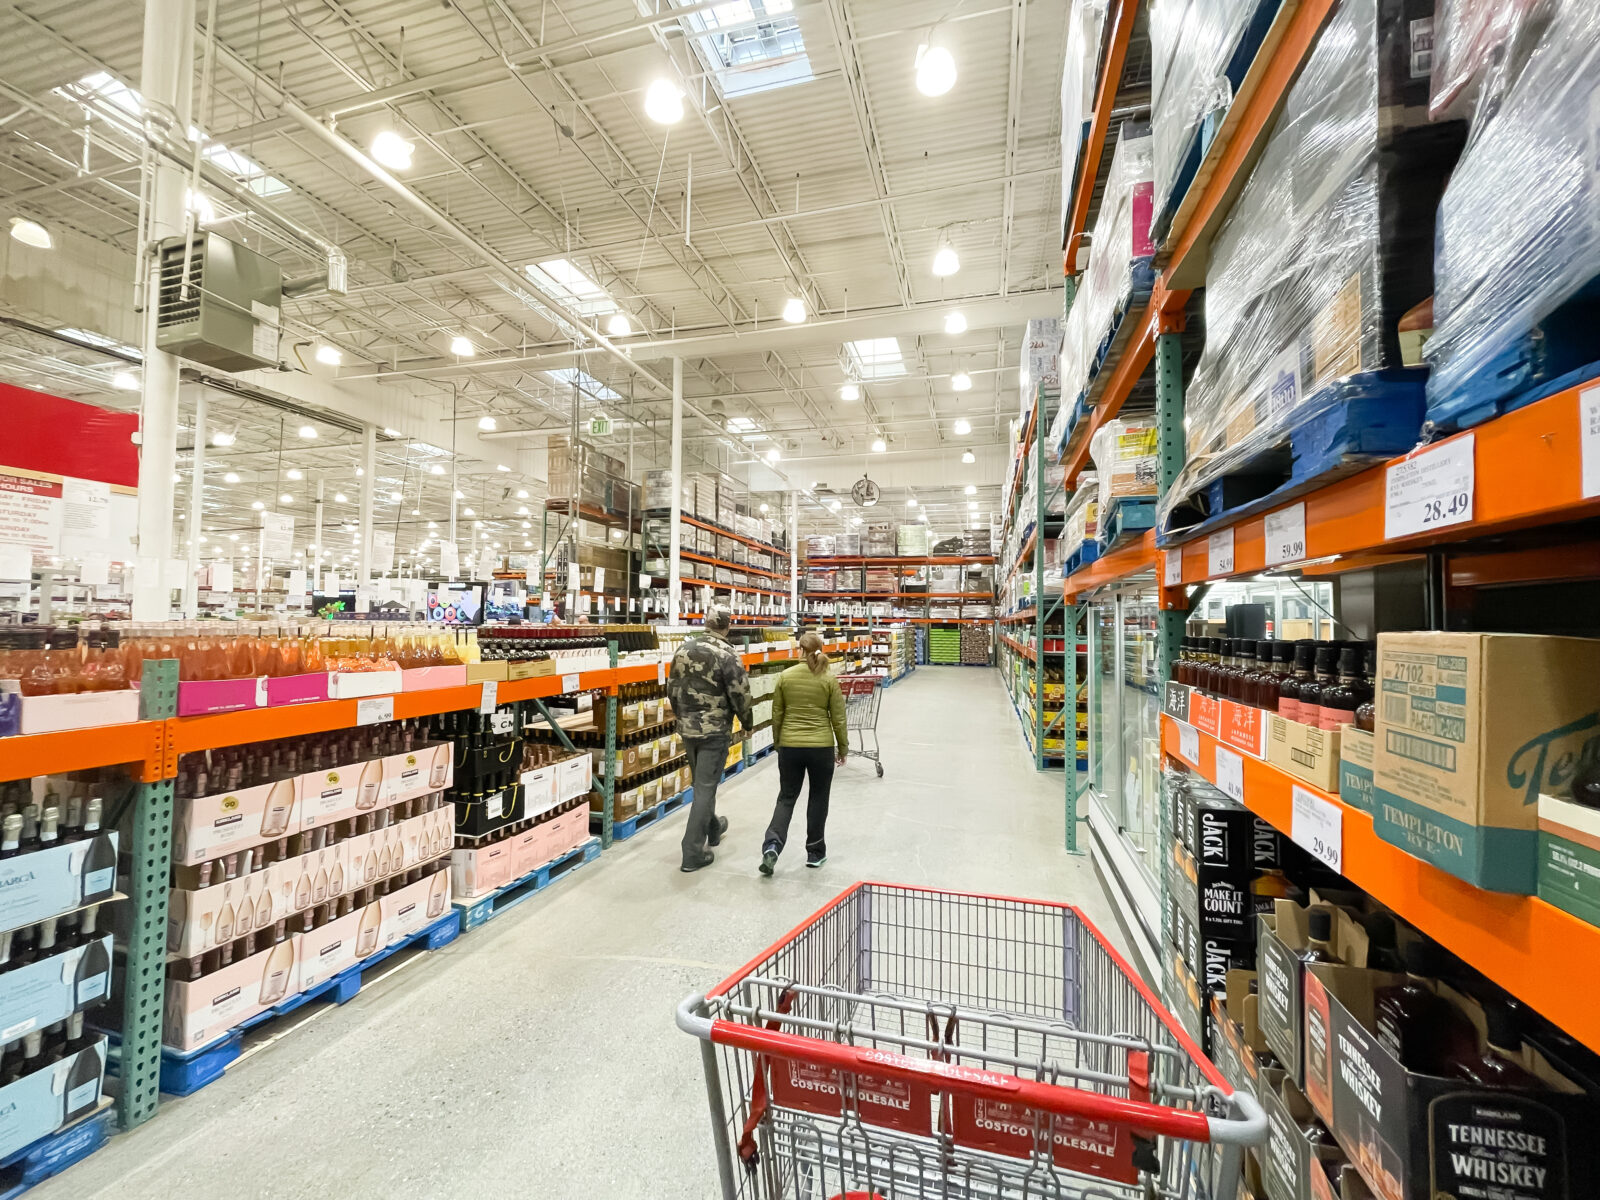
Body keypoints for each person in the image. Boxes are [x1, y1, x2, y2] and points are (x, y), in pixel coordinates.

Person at [666, 605, 752, 873]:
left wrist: (682, 717)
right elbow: (740, 693)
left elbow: (672, 689)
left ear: (706, 624)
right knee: (705, 786)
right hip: (714, 731)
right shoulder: (727, 653)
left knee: (704, 783)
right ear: (728, 626)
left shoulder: (683, 650)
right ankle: (691, 851)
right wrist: (747, 723)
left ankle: (713, 828)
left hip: (688, 729)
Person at [759, 630, 847, 876]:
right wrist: (842, 748)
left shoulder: (785, 677)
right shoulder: (828, 678)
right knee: (818, 797)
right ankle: (815, 852)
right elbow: (838, 718)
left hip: (790, 747)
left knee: (786, 797)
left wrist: (779, 743)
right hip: (820, 748)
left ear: (799, 649)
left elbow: (777, 715)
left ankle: (773, 845)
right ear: (820, 649)